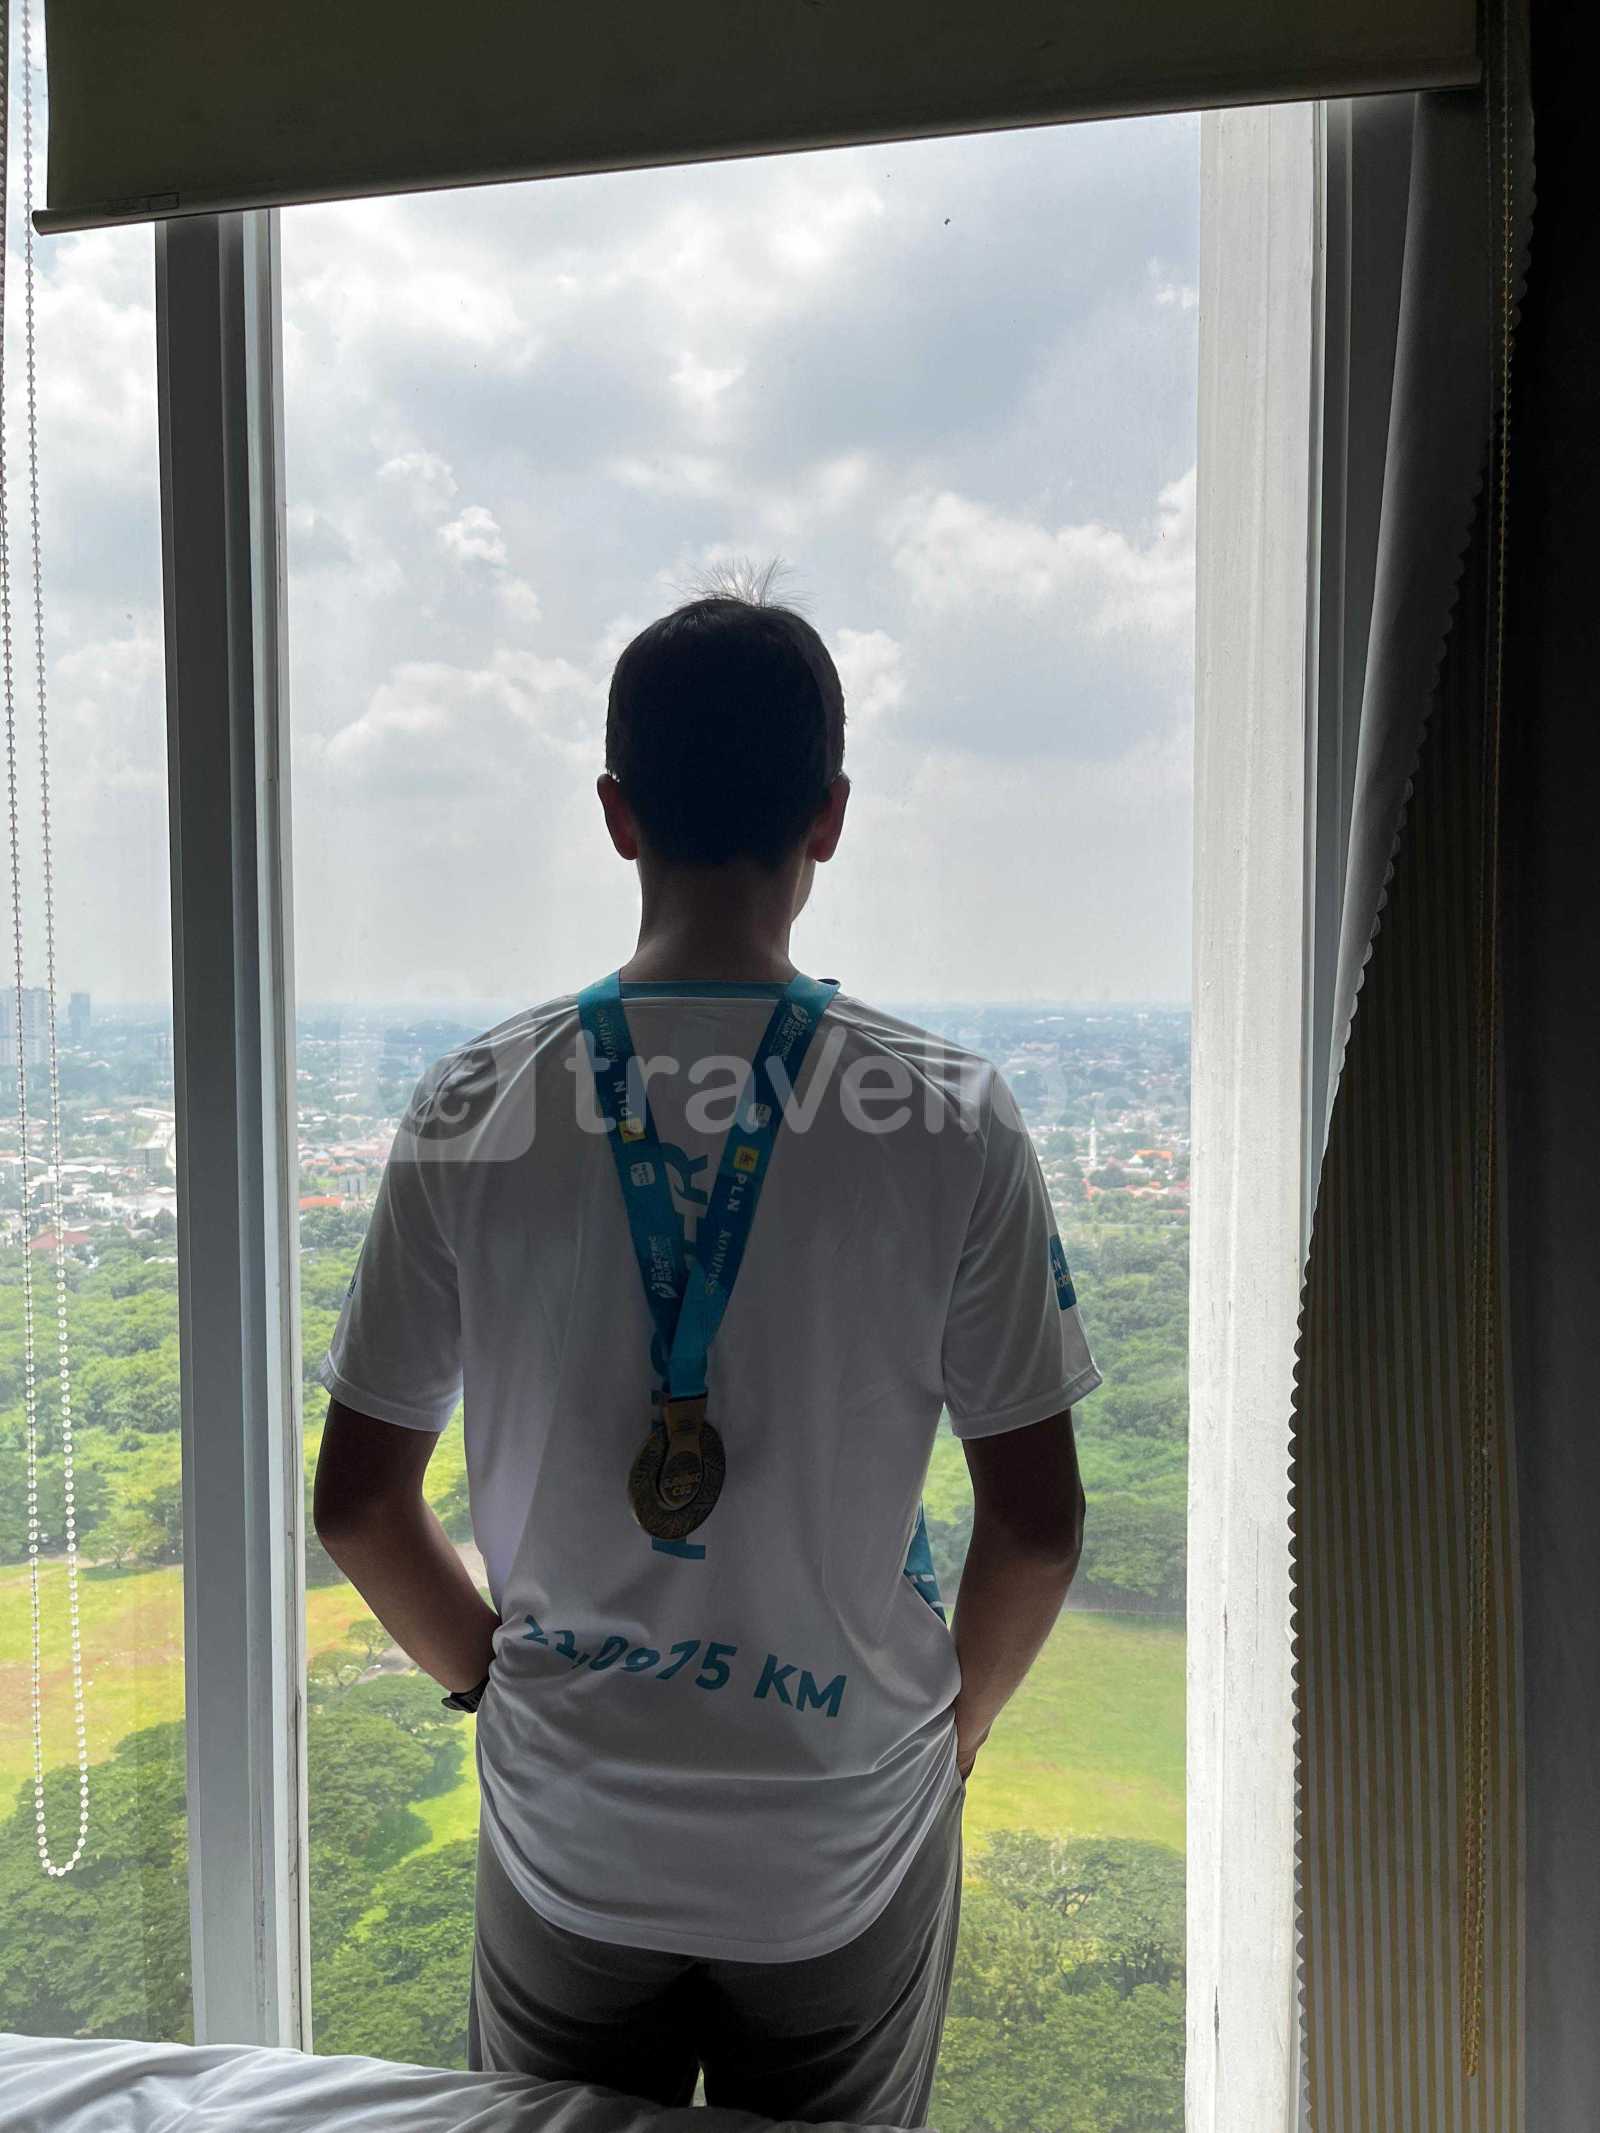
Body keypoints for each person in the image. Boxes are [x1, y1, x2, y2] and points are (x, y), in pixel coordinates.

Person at [311, 579, 1099, 2129]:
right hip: (839, 1831)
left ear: (617, 814)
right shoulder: (950, 1114)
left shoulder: (476, 1101)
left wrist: (495, 1685)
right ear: (831, 815)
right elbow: (1040, 1524)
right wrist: (944, 1739)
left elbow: (356, 1503)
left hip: (570, 1830)